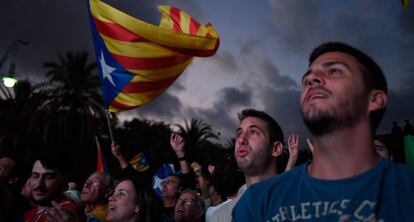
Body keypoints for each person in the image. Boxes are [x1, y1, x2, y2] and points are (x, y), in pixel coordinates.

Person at [233, 42, 414, 221]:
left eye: (334, 71)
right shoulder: (257, 203)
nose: (311, 80)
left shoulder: (407, 189)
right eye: (306, 80)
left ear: (374, 99)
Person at [208, 108, 287, 221]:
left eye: (253, 132)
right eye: (239, 133)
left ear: (275, 149)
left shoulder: (304, 205)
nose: (241, 140)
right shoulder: (219, 217)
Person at [23, 153, 85, 222]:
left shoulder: (68, 213)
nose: (39, 184)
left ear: (65, 179)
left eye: (49, 177)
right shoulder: (29, 210)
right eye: (35, 176)